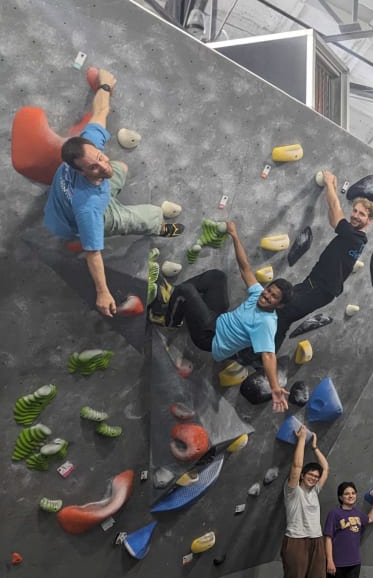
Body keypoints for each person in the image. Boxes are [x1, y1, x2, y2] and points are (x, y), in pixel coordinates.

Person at [43, 69, 184, 317]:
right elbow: (93, 253)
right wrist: (102, 292)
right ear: (81, 171)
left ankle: (111, 204)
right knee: (142, 216)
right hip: (82, 217)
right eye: (94, 167)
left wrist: (104, 86)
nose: (102, 165)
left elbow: (100, 112)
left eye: (99, 158)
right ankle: (156, 227)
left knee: (121, 168)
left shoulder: (86, 146)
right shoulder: (89, 207)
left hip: (67, 203)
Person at [150, 220, 293, 412]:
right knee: (217, 277)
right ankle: (176, 298)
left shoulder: (266, 323)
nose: (266, 295)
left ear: (280, 305)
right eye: (269, 290)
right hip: (218, 320)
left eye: (273, 297)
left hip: (209, 338)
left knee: (187, 291)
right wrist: (234, 235)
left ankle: (170, 319)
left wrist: (275, 387)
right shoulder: (258, 294)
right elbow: (245, 268)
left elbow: (268, 356)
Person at [274, 170, 373, 348]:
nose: (355, 216)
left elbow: (336, 214)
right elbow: (333, 217)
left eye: (361, 214)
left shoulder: (354, 237)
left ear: (370, 220)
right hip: (314, 285)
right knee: (282, 311)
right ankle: (261, 355)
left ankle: (263, 357)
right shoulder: (354, 236)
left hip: (319, 290)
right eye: (355, 211)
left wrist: (329, 185)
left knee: (284, 312)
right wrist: (332, 190)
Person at [279, 424, 329, 578]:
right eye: (310, 475)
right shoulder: (293, 491)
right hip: (296, 541)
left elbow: (326, 469)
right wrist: (301, 440)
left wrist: (316, 448)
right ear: (302, 476)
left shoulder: (315, 491)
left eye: (315, 476)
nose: (313, 478)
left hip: (316, 541)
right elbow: (297, 465)